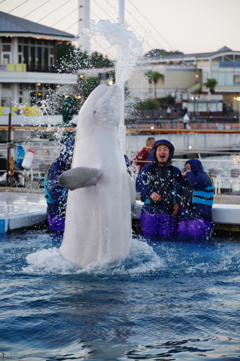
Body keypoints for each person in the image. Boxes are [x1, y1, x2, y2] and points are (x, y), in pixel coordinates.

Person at [136, 139, 182, 240]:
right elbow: (139, 184)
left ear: (170, 153)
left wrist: (177, 202)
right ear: (155, 153)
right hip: (149, 212)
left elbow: (180, 189)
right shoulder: (147, 169)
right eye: (159, 149)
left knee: (168, 241)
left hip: (168, 214)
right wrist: (150, 193)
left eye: (165, 149)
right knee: (148, 239)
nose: (162, 151)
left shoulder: (175, 171)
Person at [177, 159, 214, 241]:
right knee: (182, 238)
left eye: (189, 168)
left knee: (198, 239)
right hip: (185, 215)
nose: (187, 171)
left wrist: (189, 174)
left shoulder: (204, 177)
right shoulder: (188, 179)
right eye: (186, 168)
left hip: (199, 215)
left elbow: (196, 184)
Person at [44, 140, 74, 233]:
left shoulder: (69, 165)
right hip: (56, 209)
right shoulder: (56, 167)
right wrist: (65, 204)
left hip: (64, 207)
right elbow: (54, 190)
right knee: (58, 234)